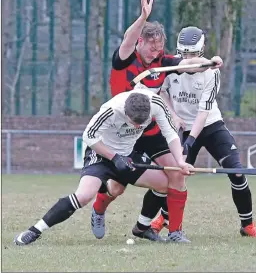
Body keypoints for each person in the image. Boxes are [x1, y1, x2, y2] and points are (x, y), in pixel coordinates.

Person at [90, 0, 223, 243]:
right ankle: (98, 209)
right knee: (116, 188)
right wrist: (142, 17)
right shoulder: (125, 59)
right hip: (123, 133)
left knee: (176, 174)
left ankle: (175, 232)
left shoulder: (162, 60)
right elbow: (128, 39)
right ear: (140, 42)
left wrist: (210, 62)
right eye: (151, 48)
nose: (155, 54)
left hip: (151, 131)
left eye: (159, 49)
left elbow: (187, 65)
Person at [14, 89, 194, 246]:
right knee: (83, 196)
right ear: (125, 111)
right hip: (100, 154)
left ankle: (142, 227)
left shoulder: (155, 104)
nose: (138, 126)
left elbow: (171, 134)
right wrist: (114, 158)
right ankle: (35, 230)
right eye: (134, 123)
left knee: (164, 184)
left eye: (142, 122)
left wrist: (180, 162)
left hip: (128, 154)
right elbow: (89, 136)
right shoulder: (111, 110)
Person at [150, 26, 256, 238]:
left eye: (193, 54)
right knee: (175, 176)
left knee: (237, 172)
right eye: (184, 54)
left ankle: (247, 225)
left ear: (202, 50)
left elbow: (203, 113)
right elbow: (161, 93)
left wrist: (190, 142)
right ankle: (163, 219)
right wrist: (174, 117)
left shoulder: (211, 73)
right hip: (183, 127)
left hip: (210, 126)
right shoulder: (169, 67)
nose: (188, 59)